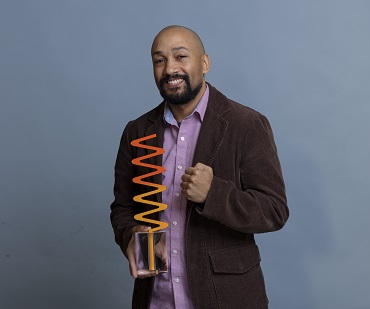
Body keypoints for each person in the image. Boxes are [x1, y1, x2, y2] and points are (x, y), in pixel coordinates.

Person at [110, 25, 289, 309]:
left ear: (204, 63)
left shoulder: (247, 125)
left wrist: (214, 193)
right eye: (159, 60)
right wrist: (132, 235)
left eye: (181, 56)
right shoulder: (137, 132)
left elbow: (274, 211)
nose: (170, 69)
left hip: (226, 298)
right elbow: (122, 208)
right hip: (156, 300)